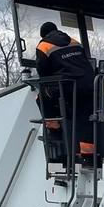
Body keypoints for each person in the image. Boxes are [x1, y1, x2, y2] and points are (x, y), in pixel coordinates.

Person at [35, 21, 96, 156]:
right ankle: (88, 156)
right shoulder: (75, 42)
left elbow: (43, 74)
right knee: (85, 117)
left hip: (68, 86)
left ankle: (55, 127)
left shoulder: (43, 46)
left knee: (41, 97)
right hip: (91, 85)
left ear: (43, 35)